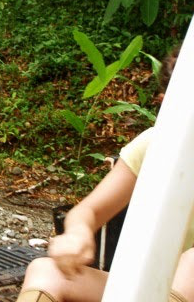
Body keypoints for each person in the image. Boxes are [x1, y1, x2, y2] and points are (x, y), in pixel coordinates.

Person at [16, 45, 194, 302]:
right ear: (168, 104)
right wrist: (78, 234)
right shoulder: (156, 146)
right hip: (154, 290)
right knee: (46, 272)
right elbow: (87, 211)